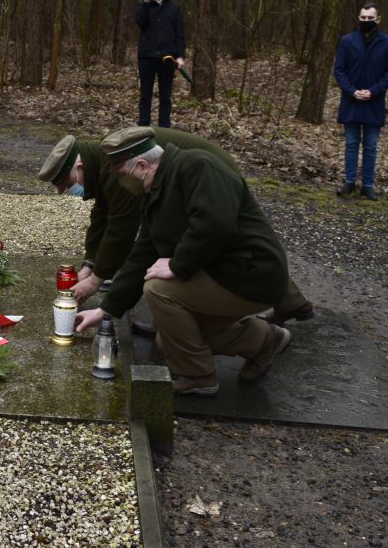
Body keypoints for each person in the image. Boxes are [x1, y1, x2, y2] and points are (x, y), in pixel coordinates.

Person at [72, 127, 293, 397]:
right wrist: (107, 310)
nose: (120, 183)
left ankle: (198, 376)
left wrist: (177, 265)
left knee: (158, 289)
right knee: (169, 341)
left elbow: (216, 225)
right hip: (220, 272)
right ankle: (263, 340)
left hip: (251, 273)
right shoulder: (154, 188)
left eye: (121, 174)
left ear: (142, 165)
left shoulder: (199, 167)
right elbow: (143, 253)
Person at [37, 127, 314, 325]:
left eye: (65, 183)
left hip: (208, 170)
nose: (65, 191)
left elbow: (121, 228)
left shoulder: (119, 170)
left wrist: (97, 280)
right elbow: (103, 216)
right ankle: (290, 301)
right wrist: (89, 264)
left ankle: (189, 306)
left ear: (80, 166)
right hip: (181, 173)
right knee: (181, 240)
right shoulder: (107, 164)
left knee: (200, 244)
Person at [333, 4, 388, 200]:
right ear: (358, 18)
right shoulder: (347, 41)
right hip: (351, 100)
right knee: (351, 143)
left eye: (370, 18)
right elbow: (339, 70)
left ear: (378, 19)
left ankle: (368, 185)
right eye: (363, 18)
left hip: (374, 101)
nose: (366, 22)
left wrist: (374, 91)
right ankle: (349, 182)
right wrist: (352, 91)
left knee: (370, 144)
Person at [134, 0, 185, 128]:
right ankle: (143, 127)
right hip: (147, 56)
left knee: (165, 96)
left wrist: (181, 56)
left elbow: (180, 33)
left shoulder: (174, 7)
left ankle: (164, 128)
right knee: (145, 95)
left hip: (167, 57)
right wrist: (146, 0)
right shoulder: (144, 5)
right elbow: (140, 22)